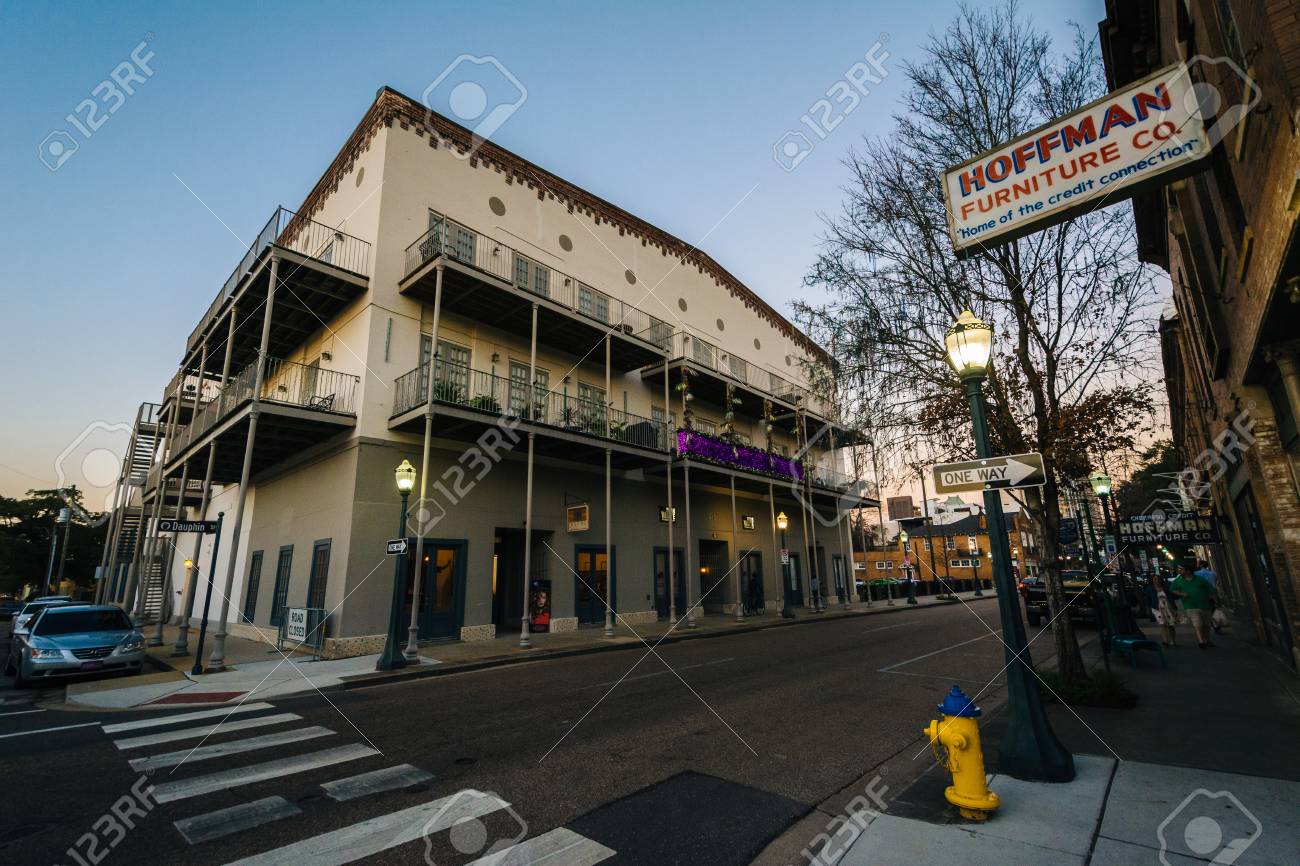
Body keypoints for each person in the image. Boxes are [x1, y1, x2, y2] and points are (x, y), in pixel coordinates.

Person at [1171, 562, 1217, 649]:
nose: (1179, 571)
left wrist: (1215, 600)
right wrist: (1181, 593)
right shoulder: (1178, 580)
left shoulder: (1200, 579)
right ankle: (1201, 641)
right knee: (1197, 623)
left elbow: (1211, 589)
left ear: (1188, 571)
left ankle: (1207, 639)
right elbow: (1172, 589)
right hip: (1190, 605)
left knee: (1206, 625)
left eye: (1181, 569)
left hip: (1205, 605)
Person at [1151, 569, 1178, 647]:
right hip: (1157, 609)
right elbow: (1148, 599)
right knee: (1162, 624)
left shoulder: (1166, 587)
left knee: (1170, 625)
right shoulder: (1150, 589)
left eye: (1158, 579)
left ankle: (1172, 640)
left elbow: (1173, 596)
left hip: (1168, 608)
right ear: (1152, 580)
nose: (1157, 581)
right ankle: (1165, 640)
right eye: (1155, 579)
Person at [1194, 559, 1222, 633]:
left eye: (1198, 564)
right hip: (1212, 595)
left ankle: (1208, 626)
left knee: (1203, 612)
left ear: (1201, 565)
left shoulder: (1195, 574)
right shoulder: (1213, 573)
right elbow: (1215, 583)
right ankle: (1216, 625)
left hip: (1201, 595)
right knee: (1213, 610)